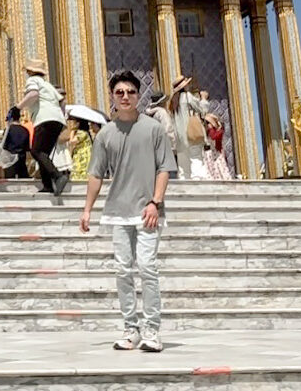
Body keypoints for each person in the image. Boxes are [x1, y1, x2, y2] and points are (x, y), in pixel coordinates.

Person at [80, 70, 175, 353]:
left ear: (138, 95)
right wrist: (87, 210)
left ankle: (152, 330)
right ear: (112, 96)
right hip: (118, 210)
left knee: (147, 267)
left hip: (147, 210)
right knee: (123, 270)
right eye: (119, 92)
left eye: (130, 92)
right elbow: (96, 174)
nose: (125, 97)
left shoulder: (153, 129)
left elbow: (164, 168)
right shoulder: (105, 134)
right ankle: (130, 328)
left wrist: (155, 202)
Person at [19, 59, 68, 194]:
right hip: (57, 120)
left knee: (36, 151)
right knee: (43, 152)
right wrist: (61, 117)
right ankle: (47, 185)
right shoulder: (48, 85)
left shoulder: (33, 81)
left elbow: (33, 94)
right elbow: (62, 102)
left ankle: (57, 176)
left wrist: (18, 107)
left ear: (30, 72)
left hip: (44, 119)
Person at [168, 75, 209, 180]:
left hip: (179, 139)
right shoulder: (187, 97)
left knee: (183, 168)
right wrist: (204, 99)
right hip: (191, 135)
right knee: (196, 160)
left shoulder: (173, 102)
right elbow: (202, 110)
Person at [145, 90, 177, 170]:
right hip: (165, 149)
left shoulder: (150, 114)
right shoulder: (162, 113)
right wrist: (173, 147)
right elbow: (168, 129)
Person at [0, 105, 31, 178]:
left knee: (10, 181)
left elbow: (4, 145)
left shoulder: (8, 130)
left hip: (10, 160)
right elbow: (27, 147)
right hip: (22, 159)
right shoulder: (25, 130)